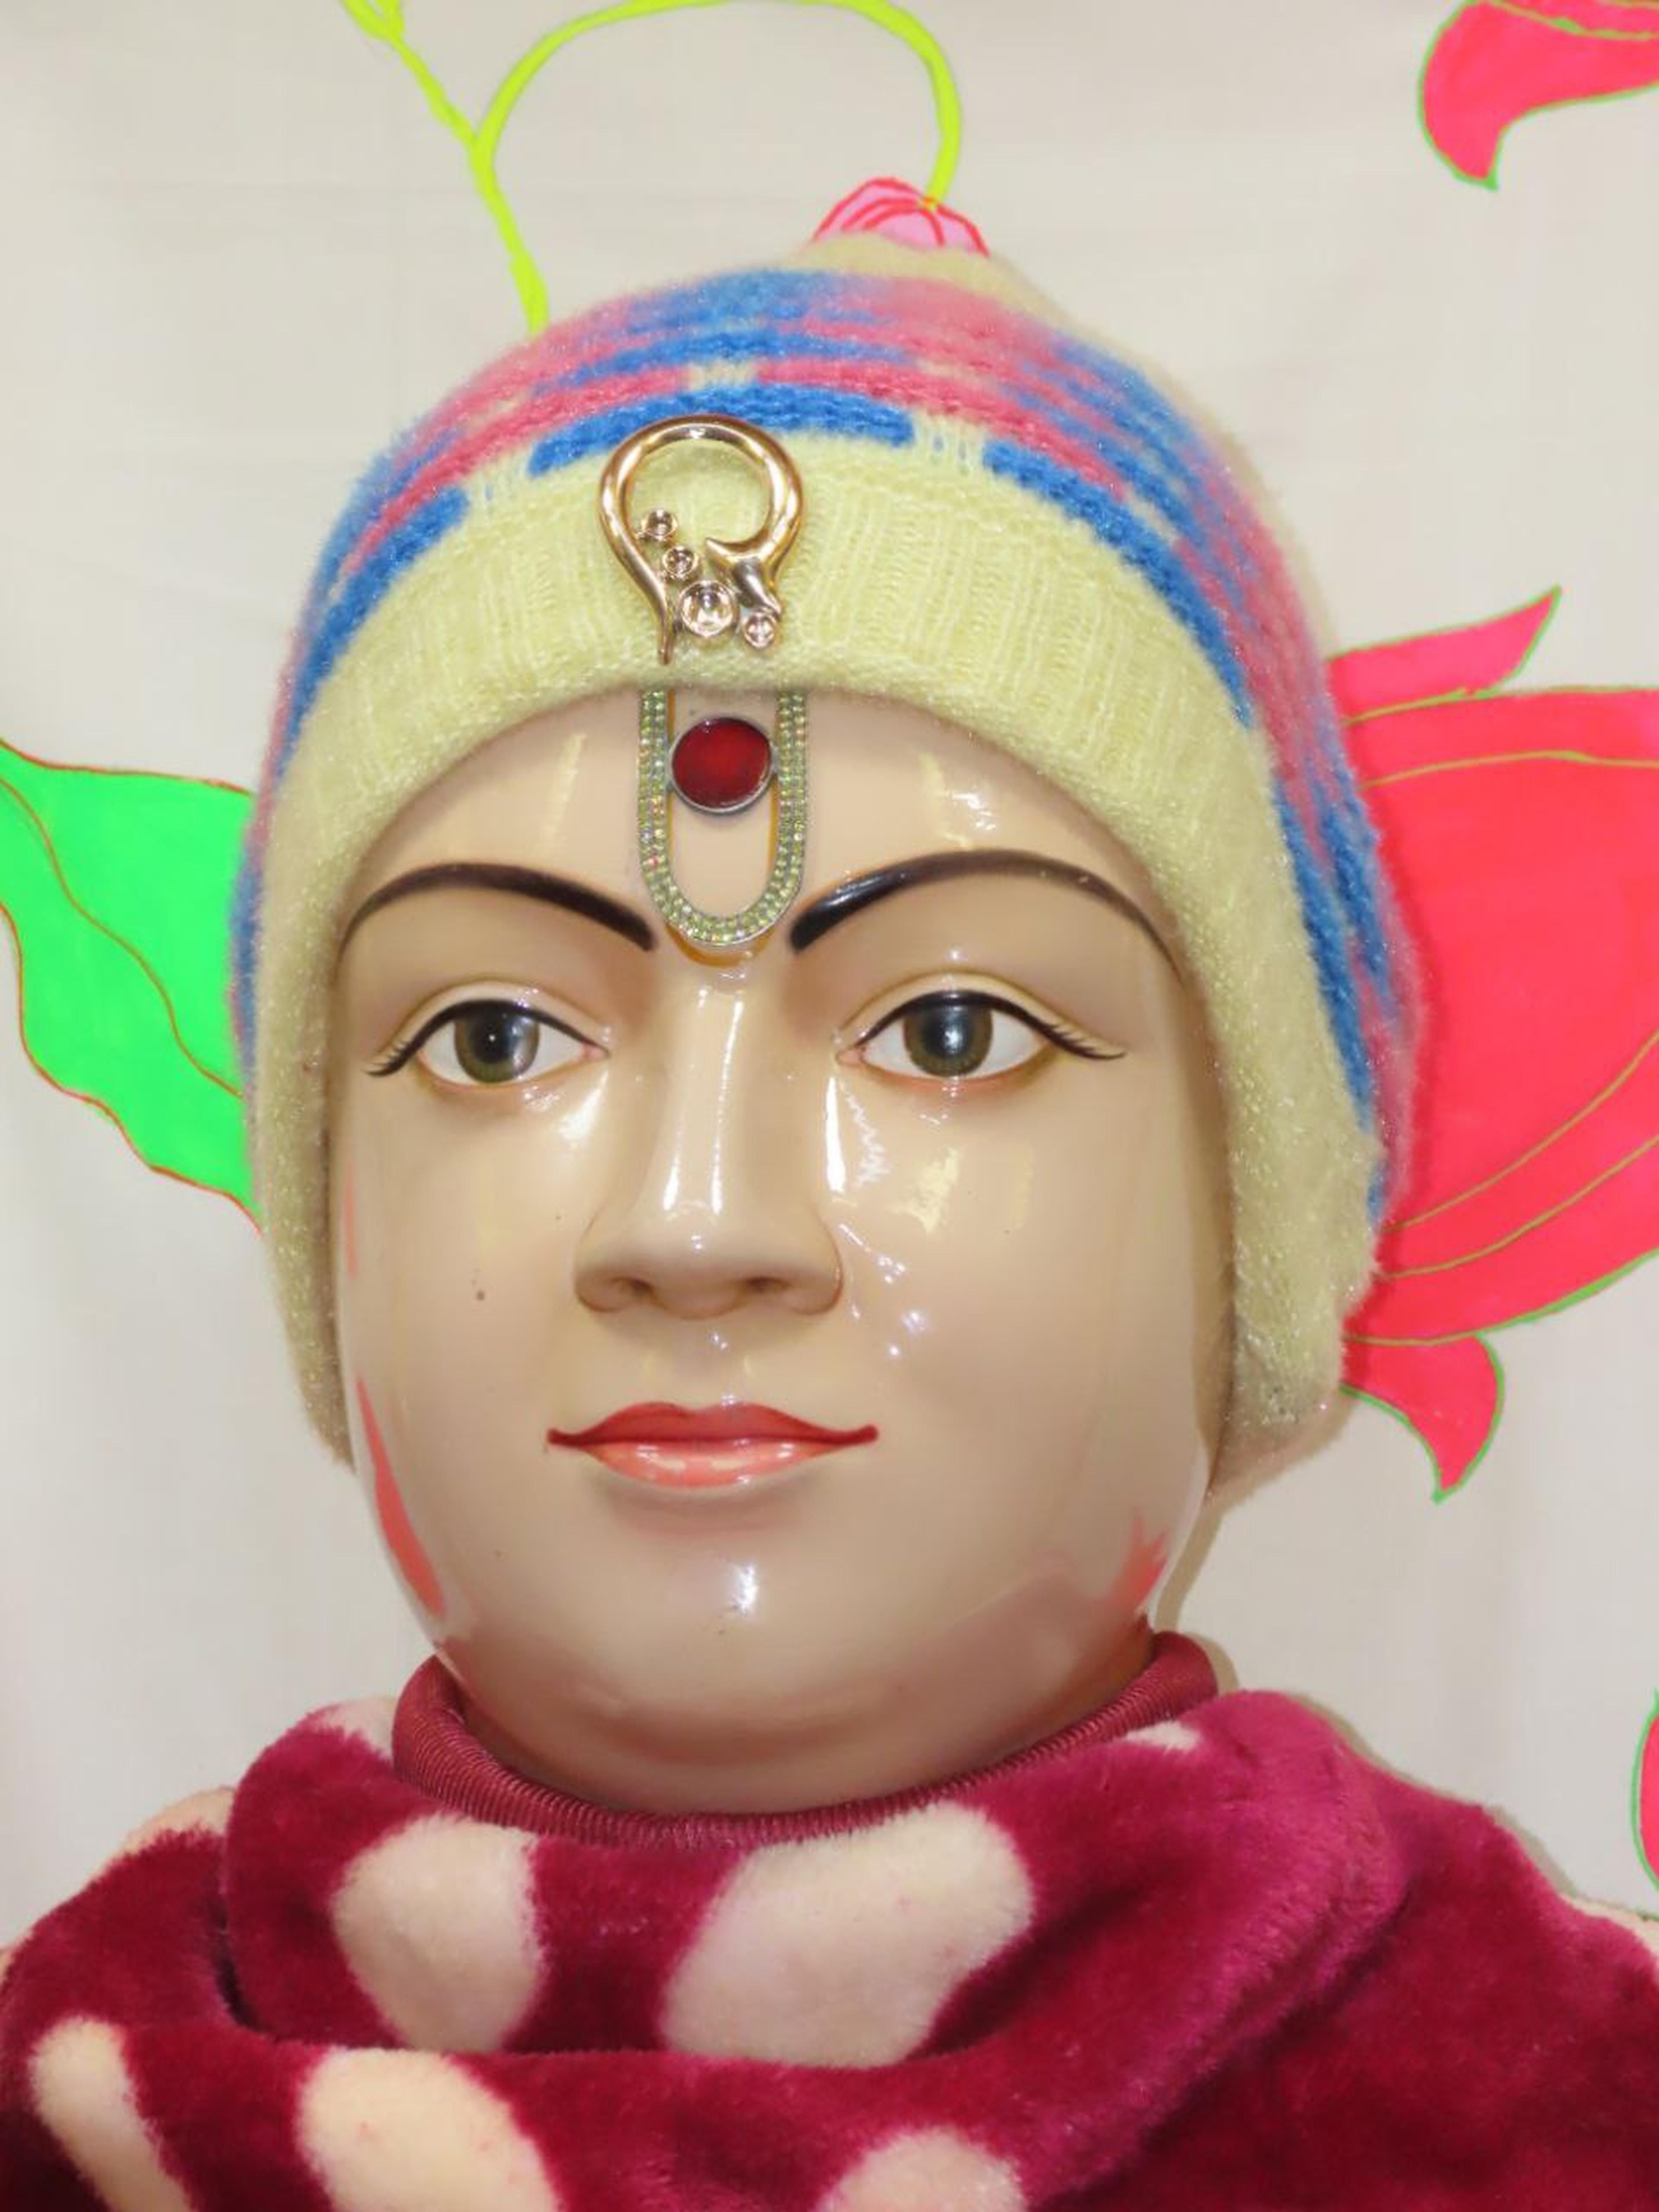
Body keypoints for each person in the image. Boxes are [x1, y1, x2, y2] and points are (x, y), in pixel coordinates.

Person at [2, 216, 1655, 2211]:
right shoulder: (79, 2103)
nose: (697, 1220)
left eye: (953, 1028)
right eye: (497, 1034)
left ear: (1255, 1225)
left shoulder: (1549, 2121)